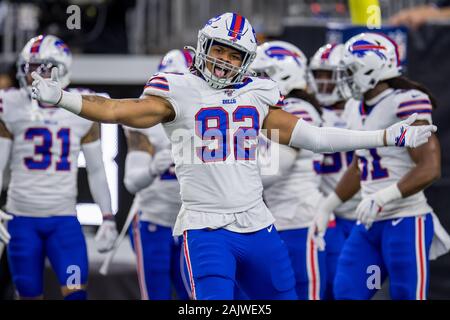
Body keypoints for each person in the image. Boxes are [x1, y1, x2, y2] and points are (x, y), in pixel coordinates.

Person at [30, 13, 436, 300]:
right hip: (206, 227)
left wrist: (387, 135)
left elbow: (314, 137)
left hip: (258, 224)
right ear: (204, 46)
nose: (224, 60)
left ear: (246, 61)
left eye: (234, 55)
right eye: (219, 50)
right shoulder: (178, 89)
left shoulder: (256, 94)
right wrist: (63, 98)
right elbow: (117, 111)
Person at [322, 32, 450, 300]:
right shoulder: (355, 106)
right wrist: (326, 207)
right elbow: (360, 165)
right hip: (369, 222)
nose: (344, 77)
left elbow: (430, 166)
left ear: (374, 67)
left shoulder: (406, 100)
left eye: (350, 70)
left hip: (406, 220)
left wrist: (384, 196)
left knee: (407, 295)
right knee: (346, 291)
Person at [0, 35, 118, 299]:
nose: (31, 74)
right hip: (20, 219)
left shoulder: (81, 106)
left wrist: (107, 217)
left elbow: (97, 168)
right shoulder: (10, 103)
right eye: (28, 67)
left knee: (76, 293)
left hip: (63, 220)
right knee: (28, 294)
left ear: (59, 69)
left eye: (39, 67)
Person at [251, 40, 326, 300]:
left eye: (260, 74)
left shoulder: (296, 109)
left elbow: (274, 169)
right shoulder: (275, 110)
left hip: (300, 221)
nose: (253, 81)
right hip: (281, 220)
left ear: (281, 74)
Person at [124, 49, 191, 300]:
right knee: (156, 295)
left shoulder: (205, 117)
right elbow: (132, 182)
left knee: (195, 296)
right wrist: (153, 169)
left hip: (191, 222)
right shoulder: (145, 120)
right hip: (154, 220)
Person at [309, 43, 360, 299]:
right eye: (318, 75)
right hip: (327, 215)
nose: (323, 82)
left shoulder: (360, 109)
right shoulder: (311, 113)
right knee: (330, 285)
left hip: (361, 212)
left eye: (329, 75)